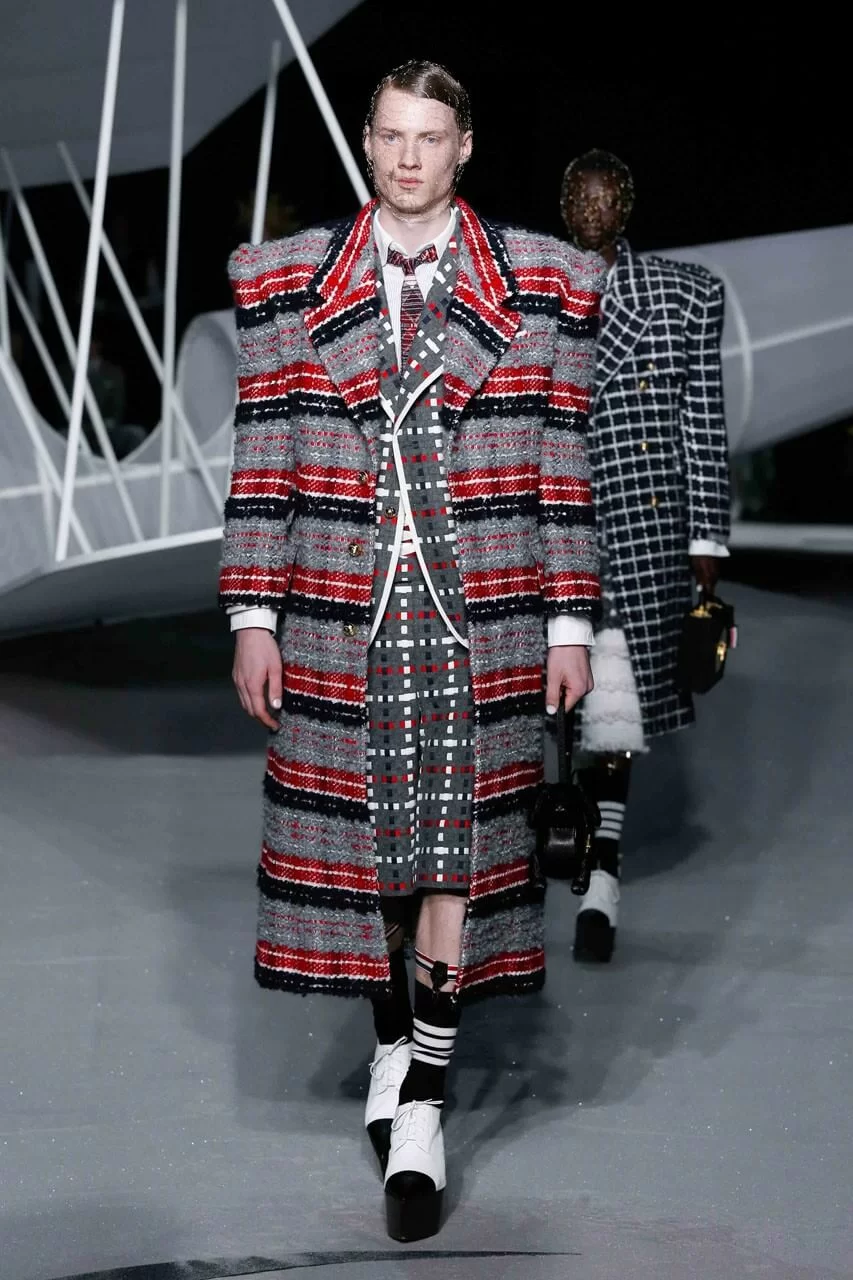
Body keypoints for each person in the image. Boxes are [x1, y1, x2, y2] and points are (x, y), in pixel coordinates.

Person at [220, 61, 605, 1242]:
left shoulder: (546, 282)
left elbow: (561, 463)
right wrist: (252, 614)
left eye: (428, 137)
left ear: (464, 145)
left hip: (479, 617)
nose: (405, 157)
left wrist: (568, 621)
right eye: (389, 135)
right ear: (367, 140)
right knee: (366, 863)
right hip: (340, 613)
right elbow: (264, 456)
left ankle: (425, 1100)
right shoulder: (285, 281)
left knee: (454, 859)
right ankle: (392, 1040)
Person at [559, 149, 730, 964]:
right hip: (552, 520)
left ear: (625, 206)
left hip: (637, 522)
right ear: (564, 206)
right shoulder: (530, 293)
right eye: (579, 196)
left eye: (606, 196)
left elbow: (702, 417)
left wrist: (706, 535)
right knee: (550, 702)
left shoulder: (683, 294)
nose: (593, 208)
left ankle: (602, 872)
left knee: (614, 705)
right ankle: (555, 848)